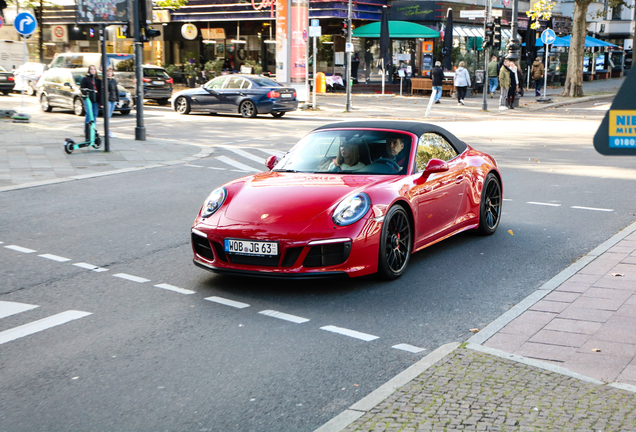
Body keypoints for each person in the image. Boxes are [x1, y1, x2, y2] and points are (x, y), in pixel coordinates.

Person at [80, 65, 101, 140]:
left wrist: (100, 101)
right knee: (89, 114)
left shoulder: (97, 80)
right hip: (88, 99)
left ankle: (93, 129)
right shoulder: (85, 79)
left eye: (94, 69)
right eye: (91, 69)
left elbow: (100, 90)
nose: (92, 71)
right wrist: (86, 92)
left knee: (95, 114)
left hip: (95, 100)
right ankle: (87, 130)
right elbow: (82, 88)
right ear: (89, 70)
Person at [105, 67, 119, 138]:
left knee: (109, 116)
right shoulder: (105, 80)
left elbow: (116, 90)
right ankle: (107, 131)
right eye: (108, 72)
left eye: (111, 72)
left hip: (113, 99)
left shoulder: (113, 80)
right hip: (107, 99)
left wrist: (117, 100)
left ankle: (108, 130)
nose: (109, 73)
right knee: (107, 116)